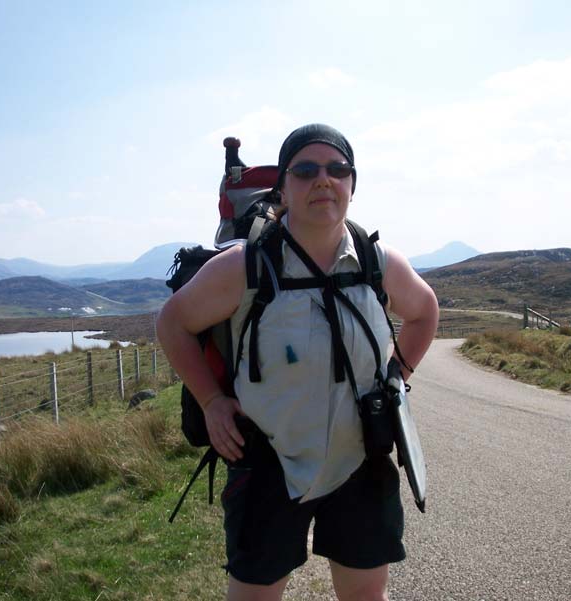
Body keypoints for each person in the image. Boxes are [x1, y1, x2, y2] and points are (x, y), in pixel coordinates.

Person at [157, 124, 439, 601]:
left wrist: (396, 379)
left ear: (352, 184)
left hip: (361, 459)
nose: (322, 180)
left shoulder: (377, 262)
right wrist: (211, 402)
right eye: (305, 170)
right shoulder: (245, 266)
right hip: (269, 460)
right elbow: (172, 323)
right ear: (284, 188)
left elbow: (425, 311)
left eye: (337, 170)